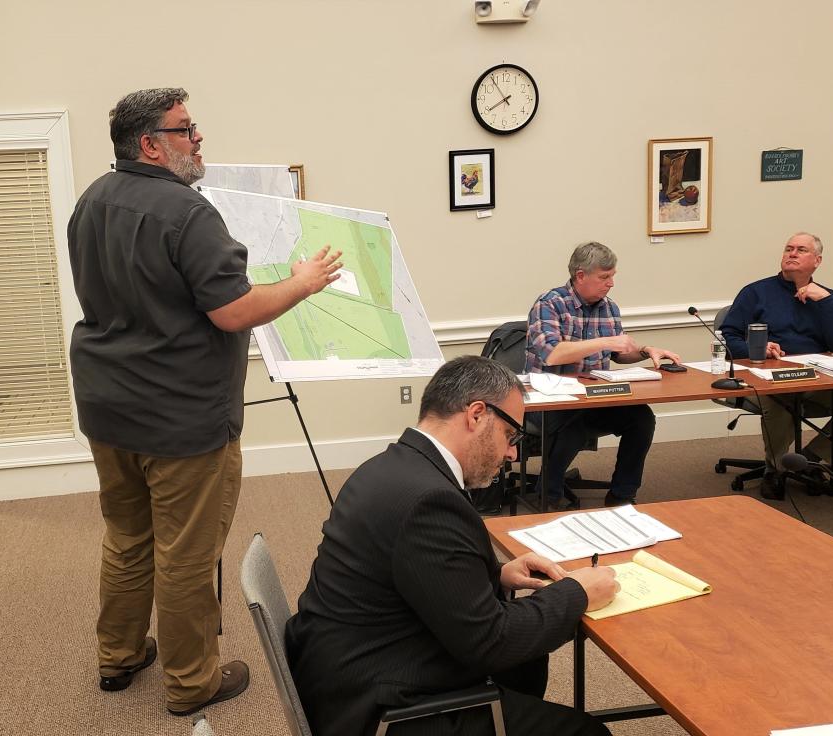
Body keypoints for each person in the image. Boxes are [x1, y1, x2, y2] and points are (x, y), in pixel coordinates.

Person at [67, 87, 342, 716]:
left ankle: (119, 655)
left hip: (109, 411)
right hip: (181, 421)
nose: (199, 139)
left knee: (127, 536)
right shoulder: (187, 214)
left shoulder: (90, 202)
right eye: (186, 129)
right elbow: (234, 312)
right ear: (150, 146)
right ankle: (191, 683)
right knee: (185, 554)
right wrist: (301, 283)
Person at [285, 356, 618, 736]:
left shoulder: (388, 466)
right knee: (587, 731)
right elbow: (491, 643)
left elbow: (412, 569)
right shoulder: (429, 500)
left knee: (527, 662)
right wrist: (578, 593)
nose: (512, 454)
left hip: (342, 664)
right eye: (511, 437)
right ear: (476, 415)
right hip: (378, 707)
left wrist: (495, 575)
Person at [525, 242, 681, 509]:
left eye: (613, 276)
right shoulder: (549, 303)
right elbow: (552, 354)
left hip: (595, 397)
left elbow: (619, 354)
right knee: (572, 426)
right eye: (604, 277)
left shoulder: (609, 307)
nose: (610, 284)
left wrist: (645, 350)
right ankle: (547, 497)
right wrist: (606, 342)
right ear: (581, 276)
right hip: (550, 401)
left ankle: (622, 494)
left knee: (641, 418)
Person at [720, 232, 833, 500]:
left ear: (817, 260)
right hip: (770, 375)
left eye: (801, 250)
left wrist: (823, 300)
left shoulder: (829, 297)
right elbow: (729, 337)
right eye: (788, 248)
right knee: (780, 396)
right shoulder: (756, 292)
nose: (792, 253)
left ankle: (812, 459)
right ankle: (776, 469)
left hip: (820, 378)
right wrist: (757, 348)